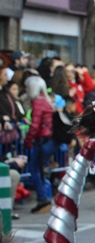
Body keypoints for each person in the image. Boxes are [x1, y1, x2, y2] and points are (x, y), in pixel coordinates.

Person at [23, 75, 56, 214]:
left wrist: (28, 140)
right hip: (48, 139)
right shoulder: (46, 101)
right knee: (40, 170)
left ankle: (43, 199)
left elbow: (35, 125)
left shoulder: (37, 103)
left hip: (41, 140)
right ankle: (44, 198)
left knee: (35, 169)